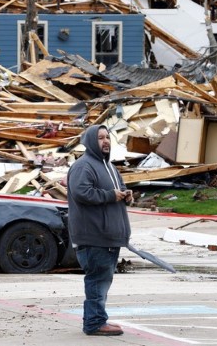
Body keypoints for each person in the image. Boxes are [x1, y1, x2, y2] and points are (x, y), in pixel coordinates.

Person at [66, 124, 132, 336]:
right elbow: (81, 193)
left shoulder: (109, 167)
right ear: (90, 142)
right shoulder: (83, 166)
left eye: (107, 137)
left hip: (109, 237)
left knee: (103, 279)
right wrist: (110, 195)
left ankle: (96, 319)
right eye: (100, 138)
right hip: (94, 237)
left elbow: (117, 191)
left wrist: (126, 195)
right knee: (97, 280)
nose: (105, 141)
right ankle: (94, 323)